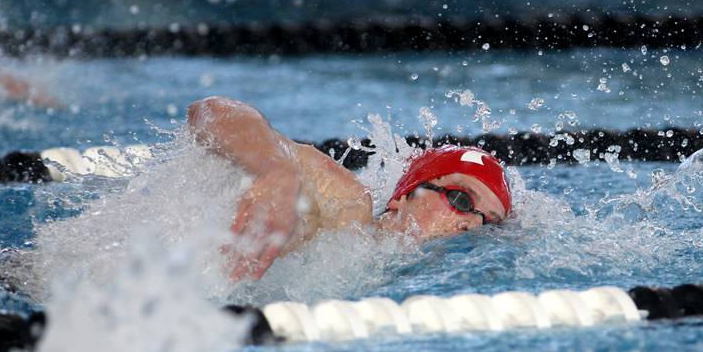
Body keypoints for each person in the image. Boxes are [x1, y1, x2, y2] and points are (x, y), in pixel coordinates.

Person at [188, 96, 512, 281]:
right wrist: (276, 171)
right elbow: (210, 111)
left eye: (490, 221)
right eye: (461, 198)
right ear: (402, 197)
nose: (472, 224)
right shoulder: (346, 209)